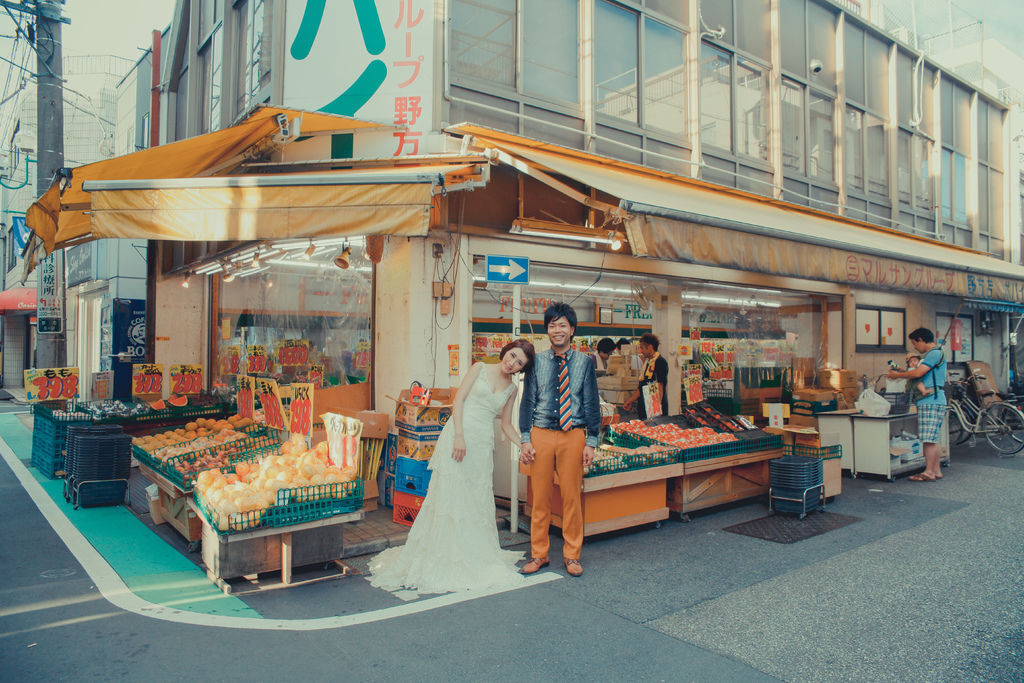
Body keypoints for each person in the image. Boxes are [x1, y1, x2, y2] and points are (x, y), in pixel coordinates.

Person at [370, 340, 535, 594]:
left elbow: (506, 425)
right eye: (512, 356)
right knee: (449, 496)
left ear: (521, 369)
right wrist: (459, 435)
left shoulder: (512, 390)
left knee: (473, 499)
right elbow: (458, 402)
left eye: (519, 363)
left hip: (481, 446)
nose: (512, 363)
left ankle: (469, 554)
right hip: (458, 436)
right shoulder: (479, 367)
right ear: (506, 351)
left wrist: (523, 444)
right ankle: (443, 552)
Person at [519, 303, 600, 578]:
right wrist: (524, 439)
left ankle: (572, 555)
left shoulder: (585, 362)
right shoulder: (537, 362)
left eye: (562, 325)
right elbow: (527, 401)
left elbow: (590, 403)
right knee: (539, 498)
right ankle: (539, 554)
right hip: (541, 433)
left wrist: (592, 441)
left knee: (571, 498)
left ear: (572, 330)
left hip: (573, 435)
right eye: (552, 325)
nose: (557, 330)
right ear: (548, 330)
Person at [887, 328, 946, 482]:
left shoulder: (933, 353)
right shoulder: (935, 353)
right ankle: (936, 470)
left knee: (928, 439)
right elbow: (917, 371)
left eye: (915, 344)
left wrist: (897, 375)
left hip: (930, 400)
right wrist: (901, 371)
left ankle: (929, 472)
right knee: (934, 438)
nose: (915, 348)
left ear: (921, 340)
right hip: (936, 399)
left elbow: (917, 373)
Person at [623, 333, 669, 419]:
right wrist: (630, 401)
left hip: (654, 409)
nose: (641, 351)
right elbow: (641, 387)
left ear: (650, 347)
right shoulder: (647, 363)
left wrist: (657, 408)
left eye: (642, 348)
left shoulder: (660, 362)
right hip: (644, 408)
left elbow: (660, 386)